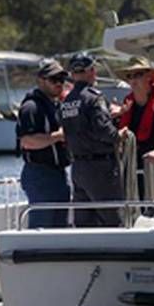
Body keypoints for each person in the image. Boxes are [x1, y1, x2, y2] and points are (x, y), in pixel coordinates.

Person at [60, 52, 127, 227]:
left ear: (73, 74)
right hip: (101, 169)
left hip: (78, 168)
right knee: (111, 220)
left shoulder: (66, 101)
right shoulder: (94, 97)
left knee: (84, 223)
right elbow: (105, 131)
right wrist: (119, 134)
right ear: (91, 71)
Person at [16, 59, 71, 228]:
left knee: (60, 227)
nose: (59, 84)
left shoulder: (56, 106)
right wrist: (58, 136)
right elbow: (27, 141)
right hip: (40, 174)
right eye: (54, 80)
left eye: (61, 80)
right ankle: (38, 253)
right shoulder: (31, 107)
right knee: (42, 227)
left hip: (59, 174)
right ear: (41, 80)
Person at [115, 56, 154, 200]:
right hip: (132, 168)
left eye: (138, 75)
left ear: (148, 77)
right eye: (129, 76)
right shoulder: (126, 105)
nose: (133, 80)